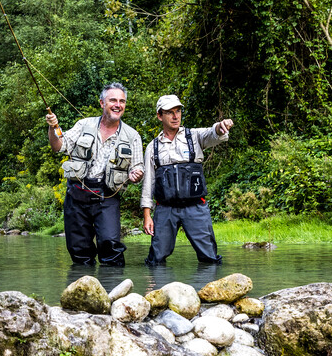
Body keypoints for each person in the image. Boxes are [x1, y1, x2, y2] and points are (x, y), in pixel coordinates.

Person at [45, 82, 144, 266]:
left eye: (122, 101)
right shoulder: (83, 125)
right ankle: (84, 292)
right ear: (101, 103)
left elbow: (137, 167)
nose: (118, 104)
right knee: (79, 251)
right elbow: (58, 146)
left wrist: (136, 174)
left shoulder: (133, 136)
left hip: (107, 197)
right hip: (77, 194)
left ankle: (113, 292)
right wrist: (52, 127)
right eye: (112, 100)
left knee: (111, 248)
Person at [140, 94, 234, 265]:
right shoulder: (152, 147)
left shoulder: (195, 136)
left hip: (196, 207)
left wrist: (221, 127)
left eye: (178, 111)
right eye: (170, 112)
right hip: (165, 209)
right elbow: (148, 184)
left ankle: (212, 290)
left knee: (210, 258)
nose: (175, 116)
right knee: (156, 259)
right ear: (160, 116)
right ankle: (156, 290)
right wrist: (147, 216)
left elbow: (214, 133)